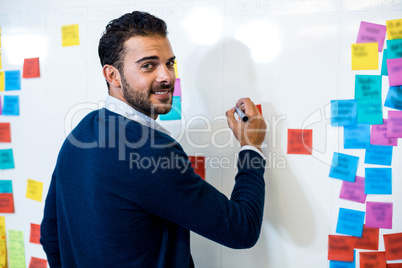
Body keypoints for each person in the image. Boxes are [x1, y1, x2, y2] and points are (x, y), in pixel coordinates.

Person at [40, 11, 267, 267]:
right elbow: (241, 229)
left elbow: (50, 236)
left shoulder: (81, 131)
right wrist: (251, 147)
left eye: (169, 63)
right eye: (148, 65)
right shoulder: (152, 150)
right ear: (112, 76)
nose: (167, 76)